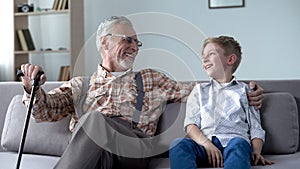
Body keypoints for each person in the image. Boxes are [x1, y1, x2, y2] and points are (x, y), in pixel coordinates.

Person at [20, 16, 264, 169]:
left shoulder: (151, 78)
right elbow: (44, 111)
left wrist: (245, 89)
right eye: (128, 40)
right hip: (93, 157)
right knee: (92, 126)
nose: (135, 47)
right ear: (105, 43)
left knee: (94, 119)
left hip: (131, 153)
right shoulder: (79, 85)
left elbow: (204, 90)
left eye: (137, 42)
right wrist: (32, 88)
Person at [169, 36, 274, 169]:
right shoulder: (199, 91)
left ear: (230, 59)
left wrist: (256, 152)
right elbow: (191, 124)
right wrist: (207, 144)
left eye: (211, 54)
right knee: (178, 144)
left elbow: (256, 128)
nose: (204, 59)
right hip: (204, 147)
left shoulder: (246, 91)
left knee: (239, 143)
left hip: (234, 144)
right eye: (203, 56)